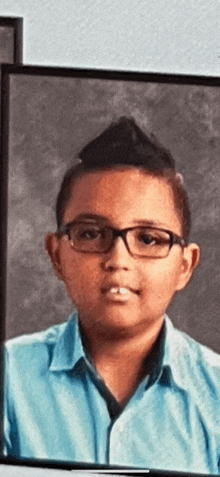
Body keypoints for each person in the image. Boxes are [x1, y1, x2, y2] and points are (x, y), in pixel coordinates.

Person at [4, 117, 220, 474]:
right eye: (90, 234)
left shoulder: (214, 396)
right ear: (57, 254)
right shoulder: (10, 379)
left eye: (149, 239)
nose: (117, 260)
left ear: (186, 264)